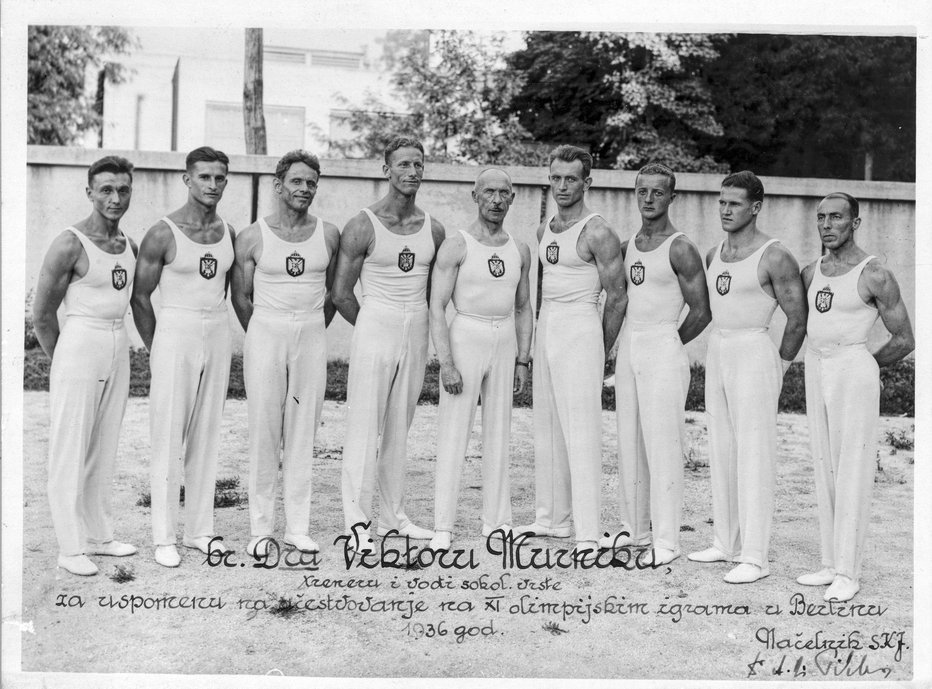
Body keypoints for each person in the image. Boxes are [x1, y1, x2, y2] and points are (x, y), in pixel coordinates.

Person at [687, 171, 807, 583]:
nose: (725, 209)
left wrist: (780, 366)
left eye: (734, 203)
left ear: (755, 207)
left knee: (753, 454)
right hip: (719, 350)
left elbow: (797, 317)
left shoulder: (774, 256)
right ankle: (726, 543)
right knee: (721, 447)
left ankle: (755, 556)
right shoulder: (712, 254)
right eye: (721, 202)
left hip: (755, 351)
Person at [796, 192, 913, 602]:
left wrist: (865, 366)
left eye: (837, 218)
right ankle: (830, 562)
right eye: (821, 218)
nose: (827, 225)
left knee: (853, 469)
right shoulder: (811, 272)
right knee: (824, 464)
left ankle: (849, 572)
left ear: (855, 223)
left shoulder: (874, 273)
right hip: (817, 366)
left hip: (854, 368)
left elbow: (904, 338)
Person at [333, 136, 446, 553]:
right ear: (387, 170)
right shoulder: (363, 224)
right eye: (403, 164)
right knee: (364, 425)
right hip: (375, 320)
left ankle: (392, 517)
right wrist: (371, 328)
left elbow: (435, 295)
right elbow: (342, 292)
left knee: (401, 425)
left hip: (415, 326)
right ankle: (357, 522)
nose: (412, 172)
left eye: (418, 164)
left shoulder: (433, 227)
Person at [515, 145, 627, 561]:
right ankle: (552, 518)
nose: (562, 186)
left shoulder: (598, 231)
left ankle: (590, 533)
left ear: (587, 182)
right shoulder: (547, 228)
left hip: (582, 326)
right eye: (556, 178)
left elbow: (617, 296)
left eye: (571, 179)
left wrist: (600, 347)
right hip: (549, 326)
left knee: (581, 432)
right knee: (547, 426)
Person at [32, 156, 139, 576]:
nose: (115, 198)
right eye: (106, 190)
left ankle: (99, 534)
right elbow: (43, 314)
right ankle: (69, 546)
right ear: (90, 192)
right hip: (80, 341)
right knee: (70, 446)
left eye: (123, 190)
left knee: (104, 443)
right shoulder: (70, 242)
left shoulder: (128, 244)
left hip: (117, 341)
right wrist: (65, 363)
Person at [231, 150, 341, 557]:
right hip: (266, 330)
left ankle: (297, 527)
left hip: (311, 332)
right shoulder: (252, 235)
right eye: (297, 181)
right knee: (264, 430)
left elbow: (332, 293)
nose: (304, 189)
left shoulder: (328, 234)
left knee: (302, 431)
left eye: (311, 182)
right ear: (279, 185)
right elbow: (241, 296)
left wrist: (309, 329)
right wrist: (264, 332)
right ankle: (260, 530)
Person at [131, 146, 236, 568]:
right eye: (205, 177)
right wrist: (159, 349)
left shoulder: (230, 231)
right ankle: (164, 536)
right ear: (187, 179)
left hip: (216, 330)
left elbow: (223, 291)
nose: (213, 185)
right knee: (168, 436)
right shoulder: (163, 232)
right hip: (174, 332)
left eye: (220, 178)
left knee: (207, 435)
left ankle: (199, 530)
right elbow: (140, 298)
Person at [602, 162, 711, 566]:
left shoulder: (680, 246)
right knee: (630, 441)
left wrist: (669, 344)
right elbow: (620, 301)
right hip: (631, 344)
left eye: (657, 193)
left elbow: (702, 310)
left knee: (663, 446)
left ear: (671, 197)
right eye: (642, 191)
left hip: (663, 343)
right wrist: (609, 351)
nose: (648, 199)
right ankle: (637, 530)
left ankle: (667, 541)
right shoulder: (629, 244)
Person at [427, 169, 533, 551]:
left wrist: (523, 358)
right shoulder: (458, 244)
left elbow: (523, 307)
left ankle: (497, 522)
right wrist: (446, 362)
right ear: (475, 195)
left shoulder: (519, 249)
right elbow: (437, 307)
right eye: (489, 192)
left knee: (499, 432)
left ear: (512, 198)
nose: (496, 200)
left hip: (503, 339)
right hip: (466, 334)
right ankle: (443, 526)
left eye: (504, 193)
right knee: (454, 432)